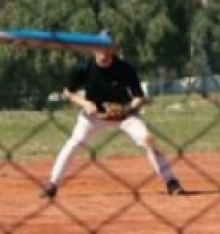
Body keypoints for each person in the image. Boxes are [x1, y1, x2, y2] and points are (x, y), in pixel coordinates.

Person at [41, 46, 184, 198]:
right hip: (94, 115)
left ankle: (171, 182)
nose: (103, 52)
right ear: (93, 49)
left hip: (123, 115)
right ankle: (52, 184)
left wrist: (126, 110)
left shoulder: (124, 68)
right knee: (74, 143)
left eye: (107, 49)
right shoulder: (84, 68)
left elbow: (139, 98)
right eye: (100, 48)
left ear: (113, 50)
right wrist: (85, 104)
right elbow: (67, 93)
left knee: (147, 139)